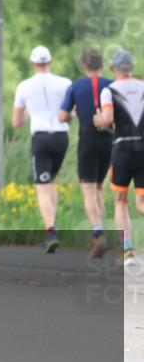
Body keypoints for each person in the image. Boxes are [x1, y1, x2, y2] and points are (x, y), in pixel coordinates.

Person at [12, 46, 72, 253]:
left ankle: (50, 230)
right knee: (51, 181)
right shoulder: (65, 83)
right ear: (50, 61)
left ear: (32, 64)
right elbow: (71, 113)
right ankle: (53, 225)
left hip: (41, 136)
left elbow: (16, 121)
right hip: (61, 136)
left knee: (42, 185)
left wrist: (29, 112)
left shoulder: (24, 86)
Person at [59, 48, 114, 257]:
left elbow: (63, 116)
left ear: (84, 66)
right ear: (102, 66)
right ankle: (103, 232)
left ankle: (98, 232)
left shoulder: (76, 86)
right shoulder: (112, 85)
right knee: (99, 188)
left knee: (89, 189)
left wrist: (73, 113)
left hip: (88, 140)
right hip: (109, 140)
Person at [95, 50, 144, 266]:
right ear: (131, 68)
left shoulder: (109, 90)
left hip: (122, 149)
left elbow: (107, 119)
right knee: (142, 202)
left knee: (121, 201)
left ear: (114, 69)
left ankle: (127, 251)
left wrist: (96, 119)